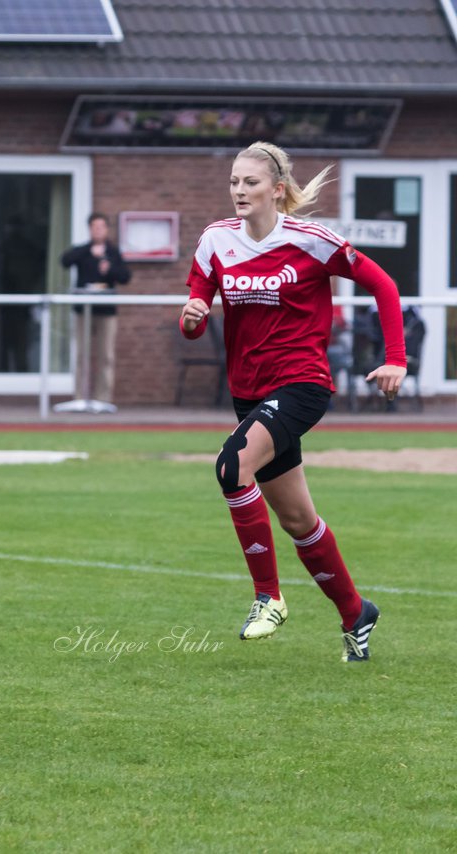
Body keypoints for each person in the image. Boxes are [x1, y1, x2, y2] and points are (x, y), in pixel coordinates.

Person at [180, 141, 406, 663]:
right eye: (234, 181)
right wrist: (191, 317)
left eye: (250, 182)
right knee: (299, 520)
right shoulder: (216, 240)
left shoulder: (311, 240)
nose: (239, 190)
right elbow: (196, 307)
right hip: (249, 391)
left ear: (276, 190)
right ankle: (356, 613)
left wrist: (396, 358)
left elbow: (385, 285)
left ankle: (269, 598)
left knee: (231, 467)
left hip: (302, 383)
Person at [60, 213, 131, 403]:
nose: (98, 230)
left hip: (106, 312)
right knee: (81, 355)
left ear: (107, 229)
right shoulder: (83, 250)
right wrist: (90, 251)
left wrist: (110, 270)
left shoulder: (113, 252)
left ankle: (103, 399)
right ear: (90, 229)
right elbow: (65, 261)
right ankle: (80, 397)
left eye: (101, 227)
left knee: (106, 356)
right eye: (94, 227)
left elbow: (125, 277)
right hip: (83, 311)